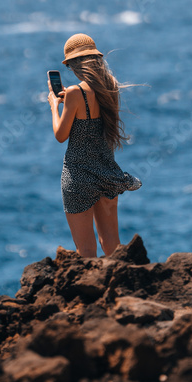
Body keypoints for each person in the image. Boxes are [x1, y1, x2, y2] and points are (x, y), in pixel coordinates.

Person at [47, 33, 142, 258]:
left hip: (78, 176)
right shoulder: (111, 87)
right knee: (112, 245)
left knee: (86, 251)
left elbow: (61, 135)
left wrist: (54, 105)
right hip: (106, 172)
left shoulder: (74, 93)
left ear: (71, 65)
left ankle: (93, 293)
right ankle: (118, 287)